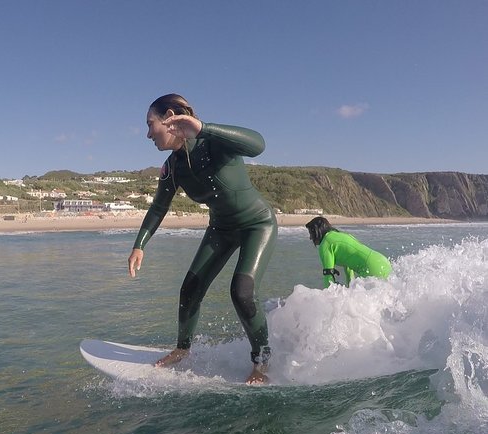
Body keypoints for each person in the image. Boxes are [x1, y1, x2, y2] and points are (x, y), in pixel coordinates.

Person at [127, 93, 278, 385]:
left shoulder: (214, 144)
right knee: (190, 290)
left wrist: (203, 127)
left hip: (257, 225)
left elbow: (258, 144)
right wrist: (139, 245)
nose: (147, 134)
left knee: (242, 292)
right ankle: (182, 349)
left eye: (150, 124)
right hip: (220, 229)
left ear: (170, 117)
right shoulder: (172, 168)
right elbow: (159, 206)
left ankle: (262, 361)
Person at [305, 216, 392, 288]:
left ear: (317, 231)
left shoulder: (326, 243)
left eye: (310, 233)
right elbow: (348, 269)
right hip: (383, 262)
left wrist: (328, 298)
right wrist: (350, 289)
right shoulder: (342, 235)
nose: (310, 238)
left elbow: (328, 275)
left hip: (371, 268)